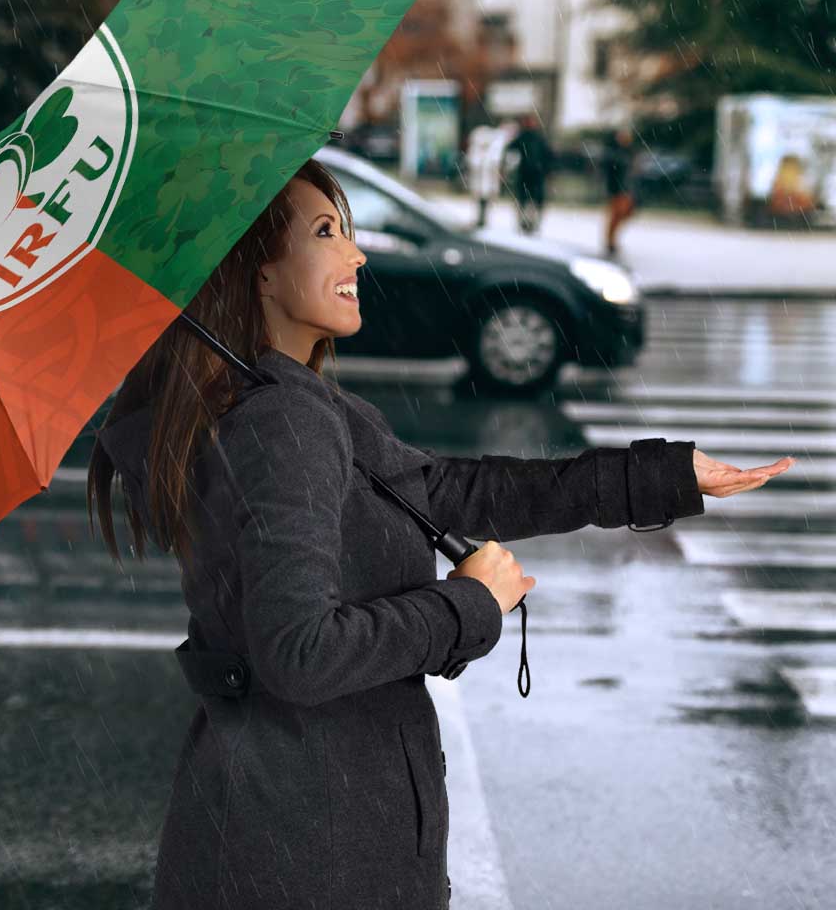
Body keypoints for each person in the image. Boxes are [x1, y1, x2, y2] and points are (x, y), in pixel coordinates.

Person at [88, 158, 790, 910]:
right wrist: (467, 605)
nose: (356, 254)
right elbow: (299, 653)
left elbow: (452, 491)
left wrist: (660, 477)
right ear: (257, 273)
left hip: (291, 828)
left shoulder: (288, 403)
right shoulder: (282, 422)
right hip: (310, 848)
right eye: (326, 232)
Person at [504, 112, 554, 235]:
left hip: (535, 174)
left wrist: (547, 170)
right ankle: (525, 223)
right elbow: (510, 150)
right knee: (525, 200)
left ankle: (531, 223)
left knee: (532, 201)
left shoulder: (537, 138)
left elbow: (548, 156)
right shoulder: (524, 137)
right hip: (527, 174)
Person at [602, 125, 638, 256]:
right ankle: (610, 241)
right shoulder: (614, 153)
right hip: (617, 189)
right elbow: (611, 172)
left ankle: (611, 240)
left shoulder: (629, 152)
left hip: (626, 189)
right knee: (616, 215)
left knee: (624, 214)